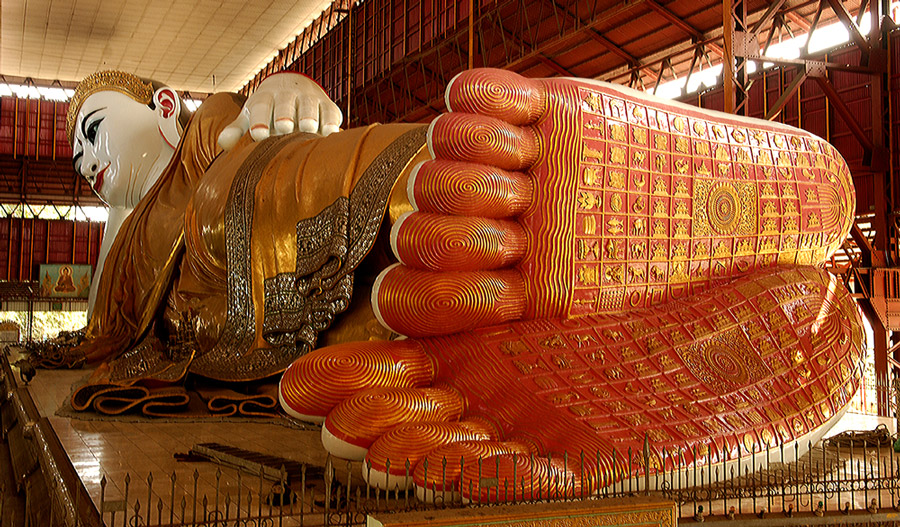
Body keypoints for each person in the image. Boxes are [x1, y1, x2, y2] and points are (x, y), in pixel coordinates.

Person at [62, 67, 862, 499]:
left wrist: (284, 93)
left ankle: (507, 186)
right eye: (77, 163)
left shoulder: (204, 135)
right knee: (402, 325)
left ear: (164, 105)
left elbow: (259, 121)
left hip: (248, 212)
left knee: (299, 193)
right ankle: (537, 325)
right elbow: (109, 332)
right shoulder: (121, 256)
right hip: (268, 334)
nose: (89, 166)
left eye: (94, 135)